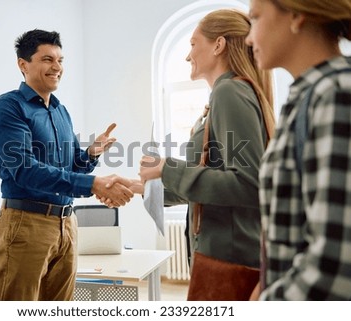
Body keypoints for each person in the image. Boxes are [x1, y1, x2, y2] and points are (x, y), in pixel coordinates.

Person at [136, 9, 275, 298]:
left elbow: (249, 184)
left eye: (192, 44)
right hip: (225, 253)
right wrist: (147, 187)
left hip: (228, 257)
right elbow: (214, 183)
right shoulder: (222, 97)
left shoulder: (229, 93)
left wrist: (167, 168)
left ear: (218, 45)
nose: (188, 56)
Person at [0, 29, 133, 301]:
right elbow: (25, 171)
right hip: (26, 223)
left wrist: (90, 154)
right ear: (23, 64)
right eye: (47, 59)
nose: (57, 67)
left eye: (60, 60)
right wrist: (94, 184)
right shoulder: (8, 108)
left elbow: (71, 168)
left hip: (66, 223)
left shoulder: (60, 111)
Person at [246, 0, 351, 300]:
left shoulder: (336, 94)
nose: (249, 38)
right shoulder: (309, 97)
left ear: (296, 15)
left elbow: (334, 266)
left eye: (255, 18)